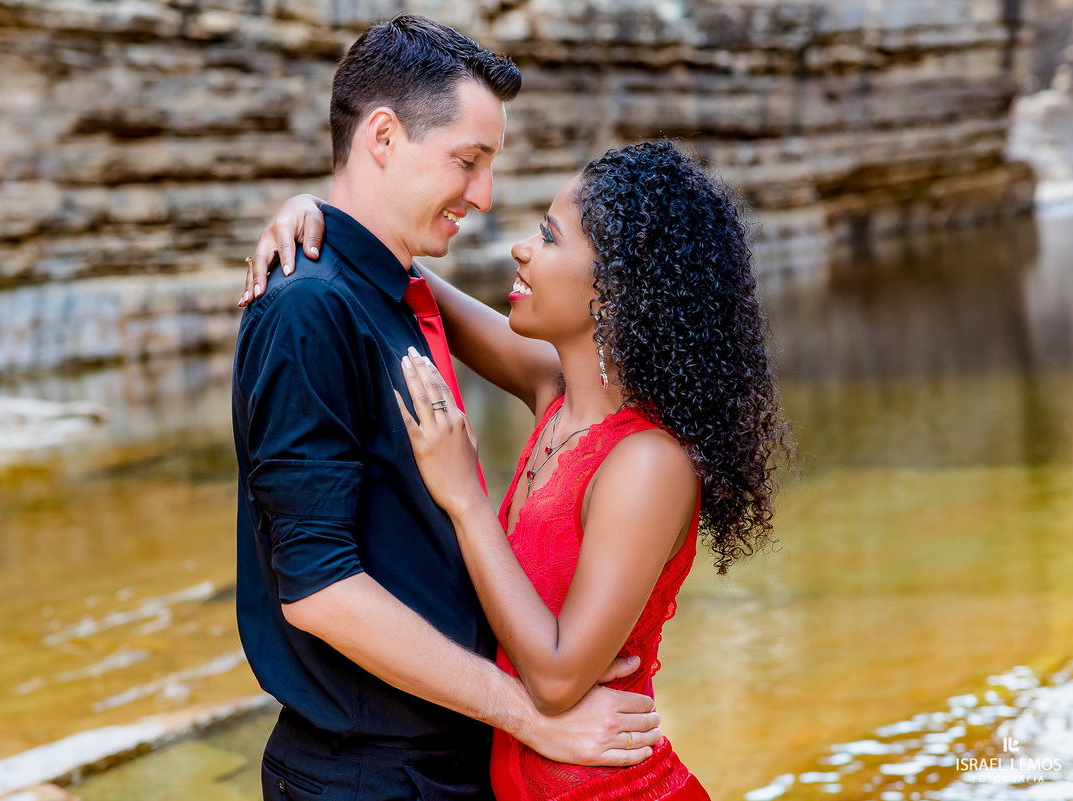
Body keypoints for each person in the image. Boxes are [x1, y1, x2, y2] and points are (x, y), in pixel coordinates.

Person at [244, 140, 789, 799]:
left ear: (613, 291)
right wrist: (318, 219)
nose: (522, 249)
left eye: (549, 238)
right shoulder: (555, 391)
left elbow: (558, 679)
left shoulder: (648, 461)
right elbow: (395, 267)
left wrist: (466, 499)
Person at [232, 15, 663, 801]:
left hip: (446, 762)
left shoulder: (395, 293)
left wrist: (324, 213)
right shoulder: (306, 310)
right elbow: (319, 588)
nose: (485, 197)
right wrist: (528, 716)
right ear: (384, 137)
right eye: (468, 161)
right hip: (367, 774)